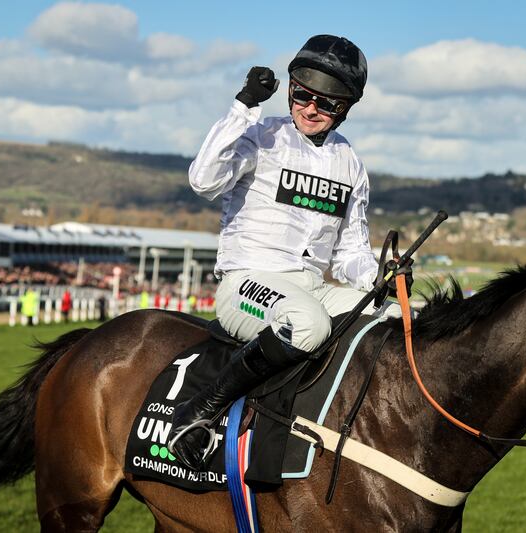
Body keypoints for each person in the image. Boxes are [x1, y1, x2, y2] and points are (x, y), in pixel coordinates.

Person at [169, 34, 411, 471]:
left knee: (409, 317)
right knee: (308, 326)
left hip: (314, 286)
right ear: (290, 89)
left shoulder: (350, 163)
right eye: (302, 95)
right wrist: (243, 104)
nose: (311, 108)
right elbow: (203, 180)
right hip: (247, 282)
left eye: (328, 103)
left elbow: (350, 251)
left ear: (346, 109)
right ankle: (200, 411)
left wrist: (381, 275)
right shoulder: (261, 135)